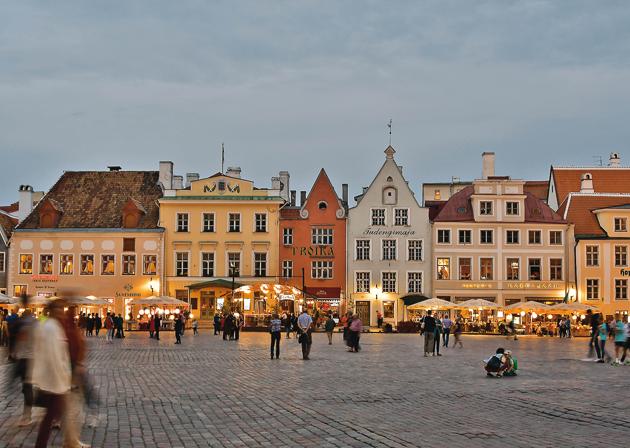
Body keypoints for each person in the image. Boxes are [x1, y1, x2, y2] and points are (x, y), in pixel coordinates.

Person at [32, 300, 72, 448]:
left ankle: (69, 441)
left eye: (63, 308)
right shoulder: (51, 327)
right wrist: (62, 379)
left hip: (53, 379)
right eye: (60, 309)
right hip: (54, 380)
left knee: (52, 415)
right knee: (51, 415)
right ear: (53, 310)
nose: (62, 312)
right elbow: (53, 355)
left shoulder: (51, 326)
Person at [13, 309, 36, 426]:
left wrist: (14, 353)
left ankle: (27, 415)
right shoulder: (36, 326)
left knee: (27, 387)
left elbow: (19, 342)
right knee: (28, 387)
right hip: (32, 359)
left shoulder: (24, 327)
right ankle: (27, 414)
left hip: (25, 359)